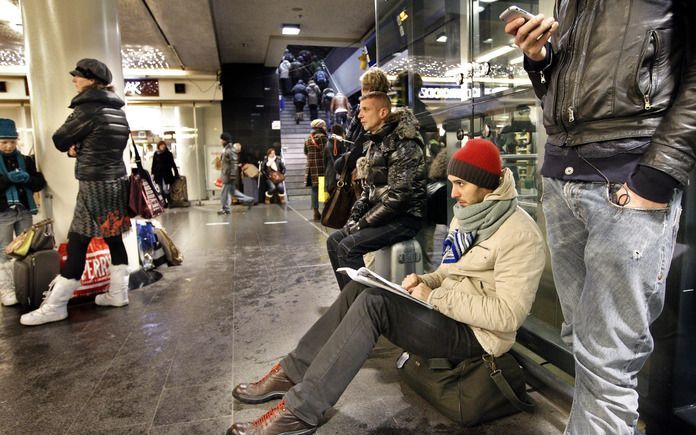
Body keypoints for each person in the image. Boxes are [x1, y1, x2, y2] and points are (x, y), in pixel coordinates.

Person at [227, 139, 546, 435]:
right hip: (448, 312)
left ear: (487, 184)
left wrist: (435, 295)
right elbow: (450, 270)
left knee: (374, 305)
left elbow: (507, 316)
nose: (453, 194)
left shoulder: (521, 234)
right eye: (452, 184)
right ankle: (292, 372)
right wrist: (426, 281)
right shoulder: (468, 214)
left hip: (477, 336)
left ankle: (301, 410)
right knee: (360, 290)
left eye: (461, 184)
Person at [505, 2, 696, 433]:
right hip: (563, 175)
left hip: (629, 175)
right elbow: (570, 88)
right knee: (583, 344)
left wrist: (659, 174)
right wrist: (540, 59)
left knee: (608, 358)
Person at [20, 58, 132, 326]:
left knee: (78, 240)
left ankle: (57, 305)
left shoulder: (88, 108)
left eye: (78, 76)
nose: (74, 80)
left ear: (92, 80)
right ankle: (118, 293)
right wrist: (82, 149)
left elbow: (60, 138)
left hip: (93, 184)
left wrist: (74, 148)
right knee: (114, 238)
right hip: (116, 180)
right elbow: (104, 146)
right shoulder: (117, 110)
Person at [327, 91, 426, 290]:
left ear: (382, 112)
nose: (359, 115)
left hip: (405, 218)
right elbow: (368, 191)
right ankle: (349, 299)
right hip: (384, 215)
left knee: (348, 248)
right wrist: (354, 218)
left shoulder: (404, 143)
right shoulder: (375, 142)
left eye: (365, 109)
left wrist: (361, 224)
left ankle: (363, 306)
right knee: (334, 241)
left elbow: (398, 198)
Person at [0, 119, 46, 307]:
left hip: (24, 210)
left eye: (12, 141)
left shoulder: (25, 160)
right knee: (3, 251)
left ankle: (24, 286)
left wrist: (27, 178)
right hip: (2, 213)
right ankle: (6, 289)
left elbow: (39, 182)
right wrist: (8, 179)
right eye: (4, 142)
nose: (9, 146)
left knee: (26, 249)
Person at [218, 133, 254, 214]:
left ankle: (225, 208)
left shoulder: (230, 150)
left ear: (225, 140)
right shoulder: (226, 149)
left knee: (224, 192)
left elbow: (234, 163)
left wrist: (232, 175)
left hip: (228, 176)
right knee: (233, 192)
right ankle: (249, 200)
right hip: (226, 174)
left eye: (221, 139)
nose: (220, 141)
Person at [304, 119, 327, 221]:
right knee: (323, 189)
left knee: (314, 190)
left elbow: (306, 152)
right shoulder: (322, 137)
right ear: (321, 127)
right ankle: (326, 211)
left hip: (311, 168)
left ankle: (316, 212)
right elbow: (325, 153)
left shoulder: (308, 138)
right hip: (321, 167)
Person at [150, 140, 179, 207]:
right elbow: (154, 164)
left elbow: (173, 164)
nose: (162, 146)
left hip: (166, 173)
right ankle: (164, 203)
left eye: (163, 145)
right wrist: (152, 173)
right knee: (161, 190)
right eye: (161, 145)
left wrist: (176, 172)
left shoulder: (168, 154)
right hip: (158, 174)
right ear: (159, 146)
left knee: (165, 189)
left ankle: (170, 202)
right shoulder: (156, 154)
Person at [323, 124, 346, 194]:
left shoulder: (327, 143)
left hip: (329, 173)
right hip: (340, 175)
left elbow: (324, 161)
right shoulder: (341, 143)